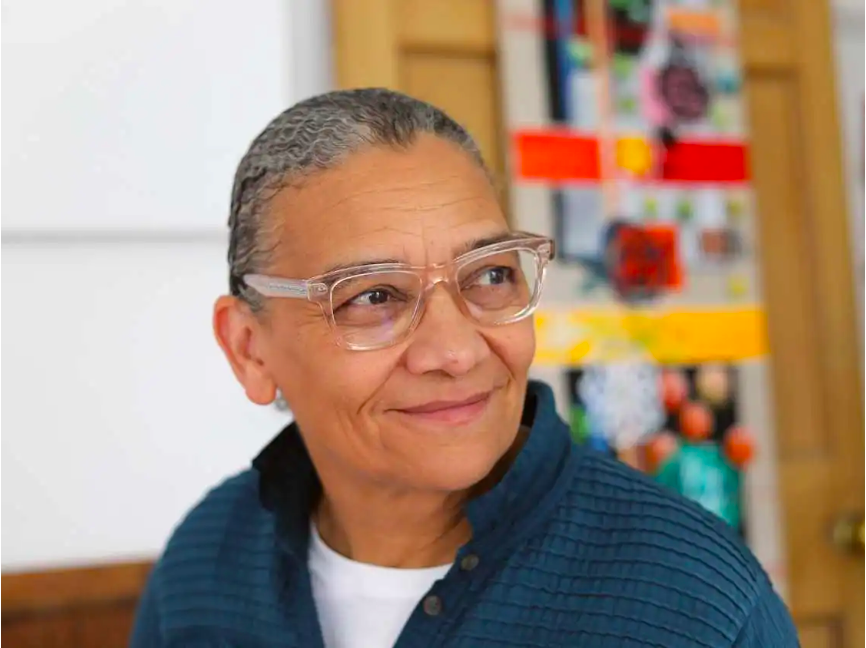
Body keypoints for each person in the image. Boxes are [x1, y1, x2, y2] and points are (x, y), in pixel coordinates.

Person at [131, 88, 799, 647]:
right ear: (251, 349)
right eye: (373, 296)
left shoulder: (697, 601)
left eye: (490, 275)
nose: (455, 351)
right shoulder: (203, 567)